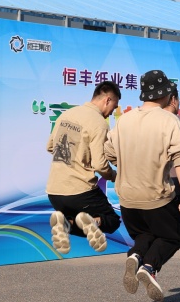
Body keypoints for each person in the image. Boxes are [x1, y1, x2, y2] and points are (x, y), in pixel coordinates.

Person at [106, 70, 180, 302]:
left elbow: (109, 152)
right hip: (156, 196)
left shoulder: (125, 120)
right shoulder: (169, 120)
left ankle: (134, 256)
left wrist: (123, 165)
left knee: (145, 234)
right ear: (165, 94)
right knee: (171, 237)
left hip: (127, 197)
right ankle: (149, 267)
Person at [44, 79, 123, 256]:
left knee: (72, 221)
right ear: (107, 100)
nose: (111, 112)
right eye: (114, 106)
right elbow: (100, 165)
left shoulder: (66, 115)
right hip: (80, 191)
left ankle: (67, 224)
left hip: (54, 192)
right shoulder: (99, 123)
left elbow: (50, 146)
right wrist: (115, 176)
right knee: (111, 221)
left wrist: (72, 156)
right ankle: (93, 221)